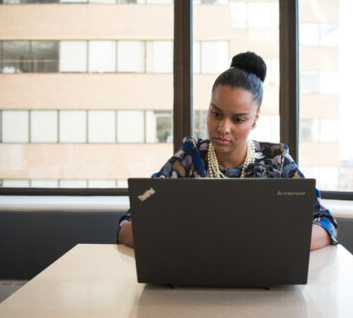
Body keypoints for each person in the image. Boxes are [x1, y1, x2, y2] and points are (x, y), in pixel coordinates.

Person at [117, 51, 338, 250]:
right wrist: (178, 238)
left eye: (239, 119)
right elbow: (127, 225)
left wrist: (274, 242)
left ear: (255, 119)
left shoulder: (277, 162)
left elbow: (325, 224)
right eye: (216, 114)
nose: (223, 128)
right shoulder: (188, 159)